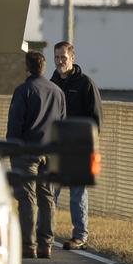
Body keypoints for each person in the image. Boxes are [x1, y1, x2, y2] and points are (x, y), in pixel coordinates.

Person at [6, 49, 66, 259]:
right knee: (47, 198)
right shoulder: (58, 92)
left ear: (27, 67)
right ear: (44, 66)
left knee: (27, 199)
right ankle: (46, 244)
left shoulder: (23, 90)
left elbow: (15, 123)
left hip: (26, 151)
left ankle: (27, 244)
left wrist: (11, 148)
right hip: (50, 151)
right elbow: (62, 124)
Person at [50, 41, 103, 250]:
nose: (60, 61)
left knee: (77, 193)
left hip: (79, 149)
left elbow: (96, 118)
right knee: (49, 191)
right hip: (56, 148)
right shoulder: (51, 84)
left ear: (72, 58)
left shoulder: (85, 84)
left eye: (63, 57)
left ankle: (79, 236)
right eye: (56, 57)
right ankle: (46, 232)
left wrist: (89, 144)